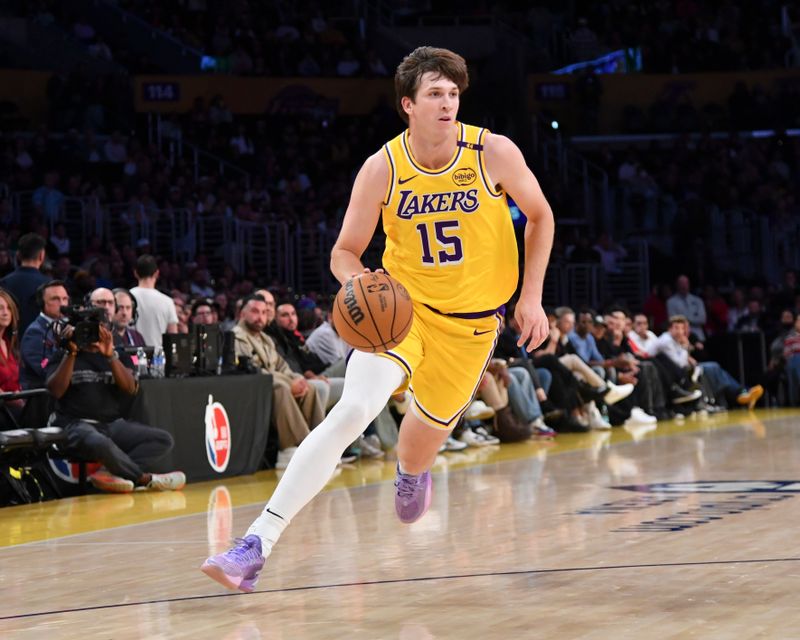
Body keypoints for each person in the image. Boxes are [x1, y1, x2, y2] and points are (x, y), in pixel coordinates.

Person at [201, 46, 554, 592]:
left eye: (454, 93)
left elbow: (540, 215)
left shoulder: (492, 152)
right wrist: (361, 284)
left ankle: (412, 471)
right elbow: (344, 252)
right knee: (353, 410)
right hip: (402, 314)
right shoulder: (382, 167)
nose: (448, 103)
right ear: (407, 104)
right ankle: (254, 544)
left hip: (473, 326)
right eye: (435, 93)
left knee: (418, 444)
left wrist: (531, 296)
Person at [45, 321, 185, 493]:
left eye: (99, 328)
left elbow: (131, 388)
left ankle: (110, 472)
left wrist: (110, 355)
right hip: (74, 424)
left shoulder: (118, 355)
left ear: (109, 331)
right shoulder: (63, 355)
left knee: (162, 439)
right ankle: (144, 479)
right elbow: (56, 391)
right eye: (88, 329)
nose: (94, 334)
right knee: (100, 442)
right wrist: (71, 352)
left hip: (110, 424)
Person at [19, 280, 69, 389]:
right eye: (55, 299)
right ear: (42, 303)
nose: (62, 304)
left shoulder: (68, 326)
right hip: (42, 398)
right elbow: (46, 372)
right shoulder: (34, 333)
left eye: (65, 299)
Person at [0, 233, 51, 333]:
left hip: (10, 344)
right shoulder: (50, 286)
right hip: (41, 343)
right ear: (42, 255)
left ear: (18, 255)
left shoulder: (4, 282)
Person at [130, 255, 178, 347]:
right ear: (157, 273)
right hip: (159, 358)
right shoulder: (167, 301)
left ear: (135, 273)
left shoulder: (127, 297)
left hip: (132, 355)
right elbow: (173, 336)